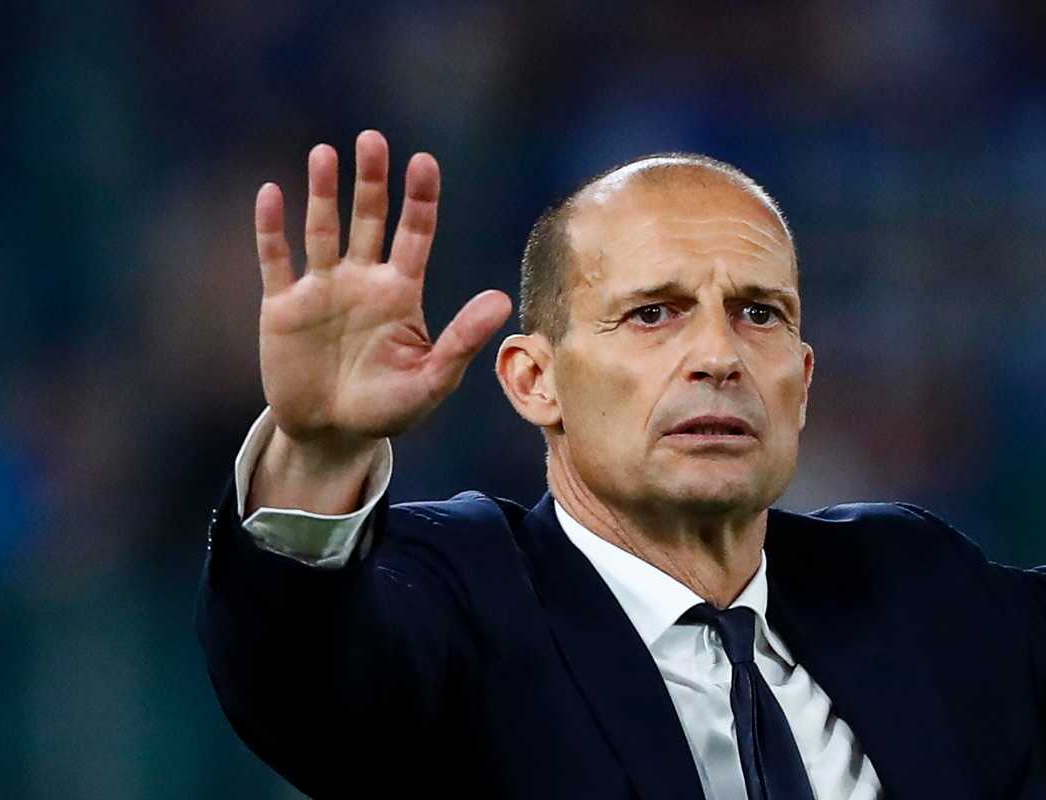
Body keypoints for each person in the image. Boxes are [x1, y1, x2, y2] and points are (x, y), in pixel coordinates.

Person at [195, 130, 1046, 799]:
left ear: (803, 382)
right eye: (653, 314)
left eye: (758, 313)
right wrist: (319, 449)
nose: (719, 356)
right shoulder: (468, 596)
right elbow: (298, 677)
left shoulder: (907, 586)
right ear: (535, 381)